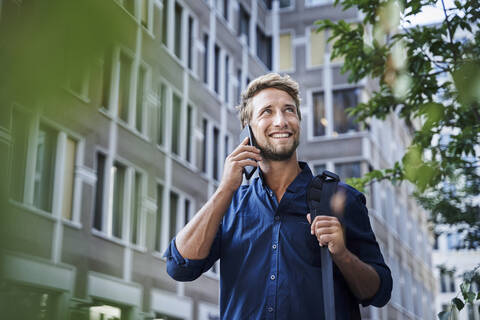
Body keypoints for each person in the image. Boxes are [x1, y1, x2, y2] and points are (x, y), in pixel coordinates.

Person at [164, 73, 392, 319]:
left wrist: (342, 254)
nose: (281, 120)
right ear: (248, 133)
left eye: (289, 110)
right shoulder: (229, 205)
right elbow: (180, 267)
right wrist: (225, 189)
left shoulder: (341, 199)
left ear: (299, 122)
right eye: (267, 112)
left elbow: (378, 293)